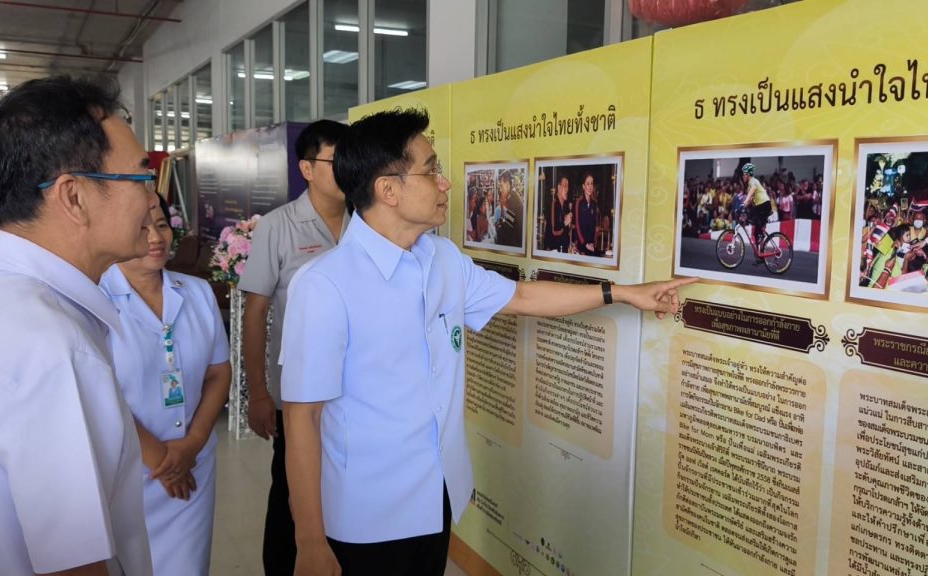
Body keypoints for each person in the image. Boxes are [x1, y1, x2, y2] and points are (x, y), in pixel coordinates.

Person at [280, 108, 696, 576]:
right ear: (388, 190)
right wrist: (310, 541)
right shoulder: (325, 285)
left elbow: (521, 296)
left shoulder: (441, 258)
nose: (445, 183)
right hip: (364, 516)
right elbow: (302, 417)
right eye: (431, 170)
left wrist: (622, 293)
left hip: (435, 497)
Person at [0, 76, 154, 575]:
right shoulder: (54, 348)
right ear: (73, 197)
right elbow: (74, 564)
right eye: (141, 177)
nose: (153, 200)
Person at [238, 119, 349, 575]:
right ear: (307, 168)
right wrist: (259, 393)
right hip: (298, 394)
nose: (348, 168)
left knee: (342, 490)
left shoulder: (367, 222)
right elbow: (255, 313)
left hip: (352, 392)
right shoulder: (278, 226)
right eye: (336, 160)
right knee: (291, 493)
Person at [100, 194, 232, 575]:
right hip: (127, 471)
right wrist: (161, 459)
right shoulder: (95, 300)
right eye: (141, 228)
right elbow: (99, 393)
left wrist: (193, 443)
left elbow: (218, 372)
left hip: (192, 466)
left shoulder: (197, 292)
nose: (156, 238)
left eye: (161, 225)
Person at [741, 163, 772, 252]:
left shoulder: (753, 181)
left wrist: (743, 204)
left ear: (748, 174)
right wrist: (743, 206)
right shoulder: (749, 185)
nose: (743, 176)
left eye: (744, 174)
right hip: (761, 205)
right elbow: (750, 200)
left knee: (753, 214)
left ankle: (761, 235)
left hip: (764, 204)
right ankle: (760, 253)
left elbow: (751, 192)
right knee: (755, 232)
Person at [494, 169, 523, 247]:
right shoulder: (512, 196)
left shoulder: (512, 199)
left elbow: (508, 226)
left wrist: (498, 224)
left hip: (515, 242)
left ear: (507, 184)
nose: (500, 189)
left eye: (501, 186)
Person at [574, 172, 600, 255]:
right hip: (581, 245)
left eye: (591, 183)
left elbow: (595, 225)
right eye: (588, 184)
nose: (590, 186)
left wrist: (593, 242)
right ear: (583, 186)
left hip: (591, 245)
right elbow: (577, 225)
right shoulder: (579, 202)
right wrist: (585, 244)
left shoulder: (594, 203)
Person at [545, 175, 572, 252]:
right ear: (559, 187)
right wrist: (565, 222)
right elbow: (554, 230)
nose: (567, 189)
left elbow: (567, 230)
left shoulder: (565, 206)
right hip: (553, 249)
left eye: (568, 186)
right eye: (565, 185)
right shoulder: (553, 204)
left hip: (563, 247)